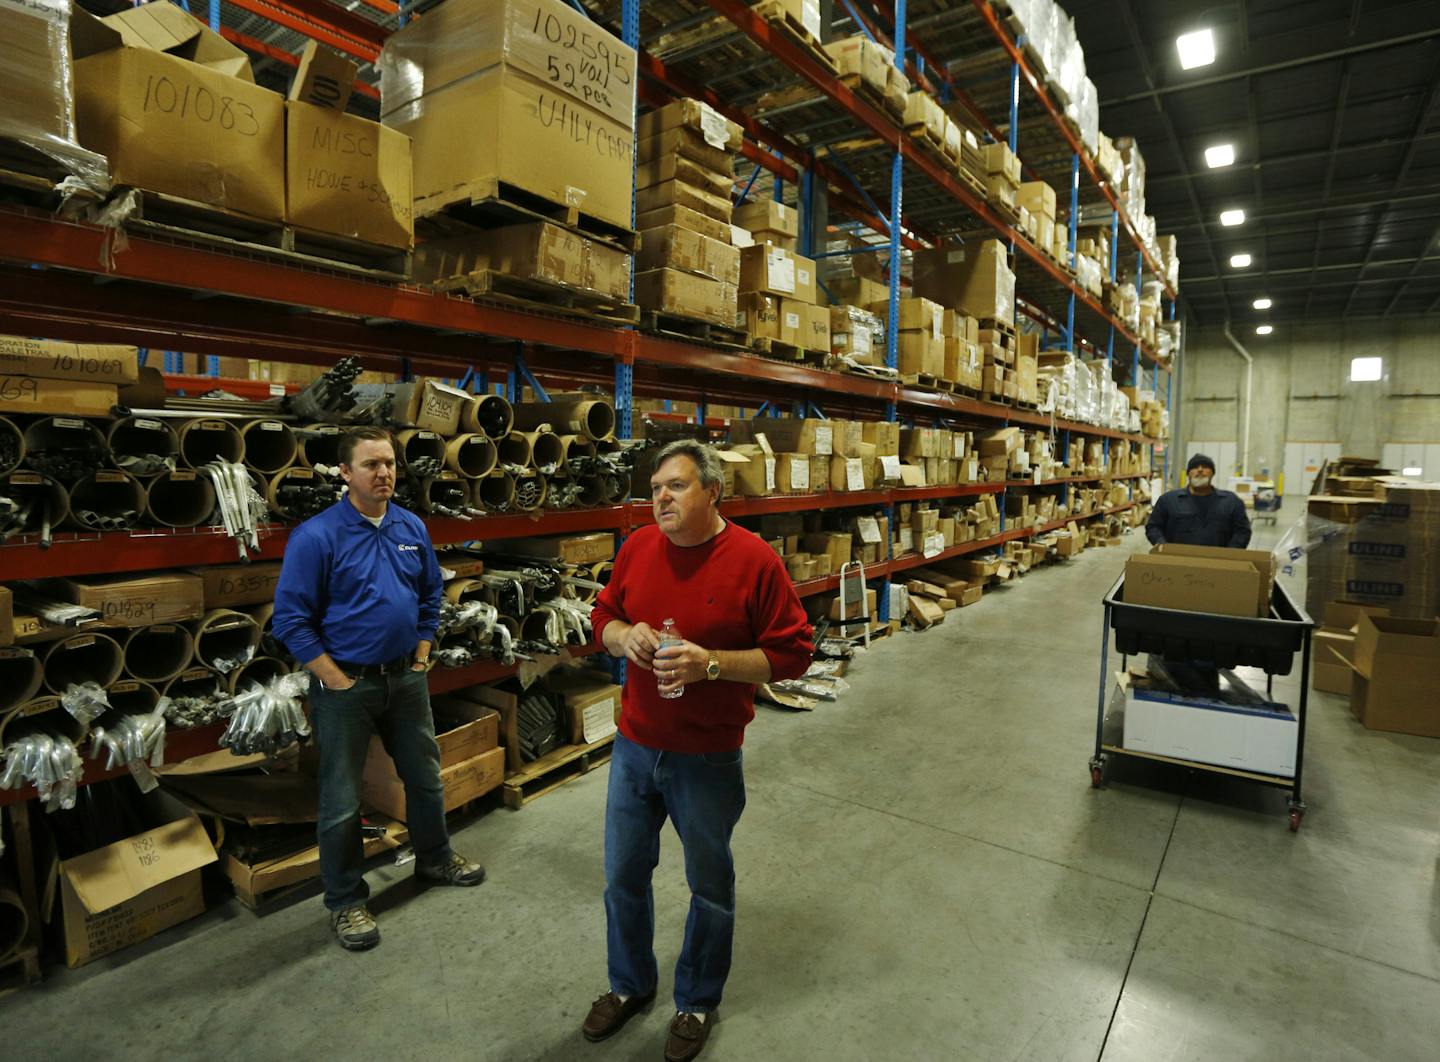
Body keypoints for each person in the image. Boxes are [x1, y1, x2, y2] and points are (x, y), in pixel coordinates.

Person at [582, 440, 813, 1062]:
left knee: (709, 884)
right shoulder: (636, 548)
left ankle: (697, 1000)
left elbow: (793, 654)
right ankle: (629, 985)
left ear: (713, 492)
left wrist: (710, 664)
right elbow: (603, 615)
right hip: (634, 747)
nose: (661, 496)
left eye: (677, 485)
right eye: (656, 486)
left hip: (706, 757)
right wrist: (622, 633)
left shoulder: (754, 561)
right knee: (623, 876)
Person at [272, 426, 485, 952]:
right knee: (342, 800)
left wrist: (422, 651)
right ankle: (346, 901)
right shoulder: (317, 537)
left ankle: (434, 860)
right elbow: (291, 620)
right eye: (371, 465)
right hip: (347, 686)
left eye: (389, 463)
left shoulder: (410, 525)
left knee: (426, 779)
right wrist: (335, 677)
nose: (384, 473)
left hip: (405, 679)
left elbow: (431, 590)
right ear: (345, 473)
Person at [1146, 453, 1252, 548]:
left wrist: (1231, 553)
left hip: (1219, 564)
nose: (1200, 469)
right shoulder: (1168, 500)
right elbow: (1153, 526)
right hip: (1177, 562)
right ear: (1188, 474)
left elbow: (1243, 531)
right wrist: (1164, 548)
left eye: (1205, 467)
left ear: (1212, 473)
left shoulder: (1231, 502)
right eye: (1194, 467)